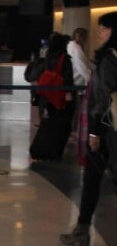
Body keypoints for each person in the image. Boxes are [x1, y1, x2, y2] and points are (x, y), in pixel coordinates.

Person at [60, 12, 117, 246]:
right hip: (112, 126)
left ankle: (82, 230)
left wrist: (95, 131)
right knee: (94, 179)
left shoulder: (108, 58)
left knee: (96, 178)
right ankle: (82, 228)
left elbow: (104, 98)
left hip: (107, 128)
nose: (99, 32)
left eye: (103, 28)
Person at [29, 33, 75, 161]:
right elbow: (67, 78)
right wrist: (68, 92)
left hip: (46, 96)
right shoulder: (64, 58)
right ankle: (55, 152)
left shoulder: (46, 57)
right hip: (60, 97)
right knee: (62, 125)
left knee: (48, 124)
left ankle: (43, 150)